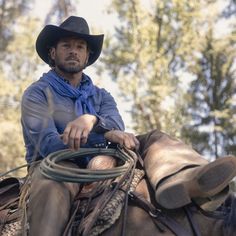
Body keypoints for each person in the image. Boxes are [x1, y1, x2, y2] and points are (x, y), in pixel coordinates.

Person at [21, 16, 236, 236]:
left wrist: (93, 120)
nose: (73, 51)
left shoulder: (101, 96)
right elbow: (47, 144)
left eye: (80, 46)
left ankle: (183, 178)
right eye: (66, 45)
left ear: (87, 55)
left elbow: (116, 124)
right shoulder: (37, 93)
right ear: (53, 53)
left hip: (103, 159)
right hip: (58, 164)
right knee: (52, 182)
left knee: (153, 138)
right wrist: (100, 134)